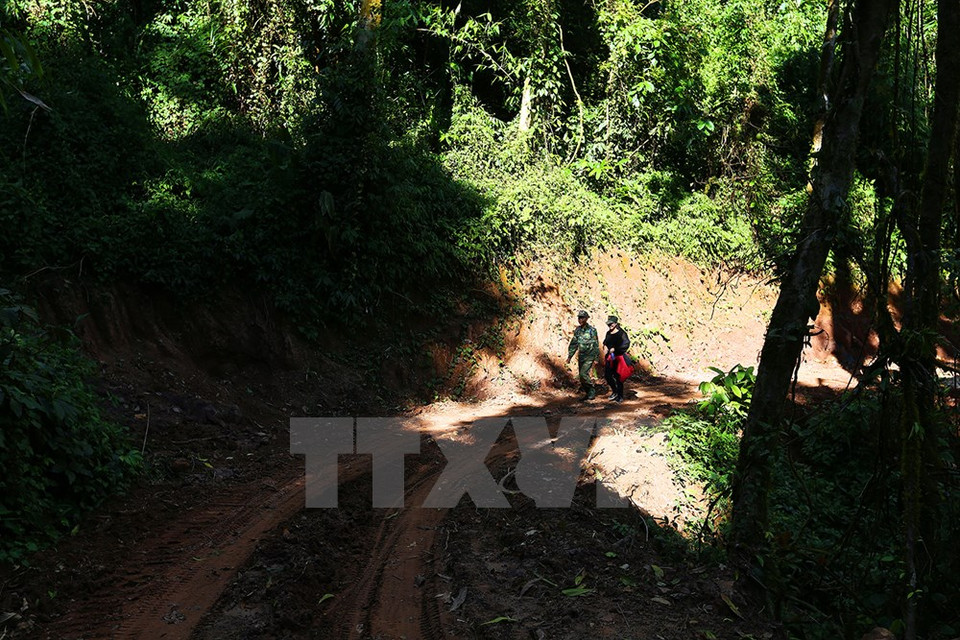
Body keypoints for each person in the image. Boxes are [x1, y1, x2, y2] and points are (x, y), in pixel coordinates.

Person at [566, 310, 600, 400]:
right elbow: (574, 343)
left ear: (586, 319)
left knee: (583, 374)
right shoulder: (577, 330)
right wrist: (570, 356)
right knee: (581, 378)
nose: (580, 319)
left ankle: (592, 391)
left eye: (582, 317)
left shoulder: (592, 330)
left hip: (590, 356)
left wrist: (596, 358)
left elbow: (596, 344)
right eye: (579, 317)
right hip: (581, 356)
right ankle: (588, 393)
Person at [603, 315, 631, 403]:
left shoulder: (621, 333)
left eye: (611, 324)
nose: (610, 326)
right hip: (610, 358)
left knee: (618, 377)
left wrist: (616, 349)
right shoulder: (608, 333)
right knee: (607, 375)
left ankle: (620, 395)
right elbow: (605, 342)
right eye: (609, 324)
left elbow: (626, 344)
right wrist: (605, 347)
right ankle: (614, 391)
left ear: (615, 324)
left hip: (619, 358)